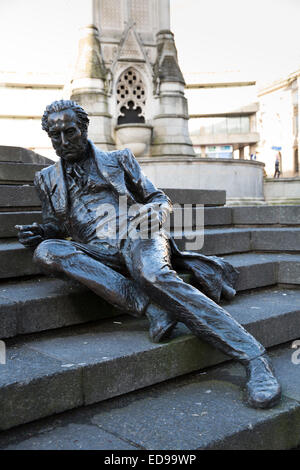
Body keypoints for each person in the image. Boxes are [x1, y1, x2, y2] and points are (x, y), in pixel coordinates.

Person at [16, 100, 281, 409]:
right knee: (47, 252)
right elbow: (54, 224)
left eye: (70, 132)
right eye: (55, 136)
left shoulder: (119, 159)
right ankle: (154, 308)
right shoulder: (45, 179)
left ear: (84, 129)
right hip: (95, 249)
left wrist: (155, 212)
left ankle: (254, 357)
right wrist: (41, 232)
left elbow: (158, 198)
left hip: (137, 233)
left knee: (152, 274)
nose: (63, 143)